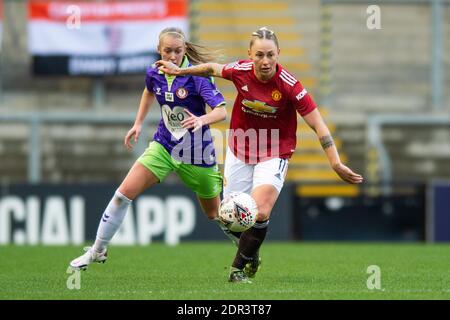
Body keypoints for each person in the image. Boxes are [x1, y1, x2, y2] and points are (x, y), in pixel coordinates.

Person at [157, 27, 364, 283]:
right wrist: (180, 71)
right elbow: (212, 68)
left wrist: (335, 161)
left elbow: (318, 124)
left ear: (278, 53)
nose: (265, 61)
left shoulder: (290, 85)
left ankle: (237, 269)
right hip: (240, 148)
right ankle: (251, 253)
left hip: (274, 151)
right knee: (231, 217)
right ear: (250, 55)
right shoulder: (241, 71)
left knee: (259, 212)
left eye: (270, 55)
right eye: (259, 55)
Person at [69, 27, 228, 270]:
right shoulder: (154, 71)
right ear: (159, 50)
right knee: (123, 195)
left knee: (215, 214)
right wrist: (138, 123)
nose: (173, 56)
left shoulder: (197, 77)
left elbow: (221, 110)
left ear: (185, 50)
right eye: (168, 51)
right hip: (164, 146)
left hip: (196, 152)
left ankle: (248, 251)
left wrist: (200, 120)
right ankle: (97, 250)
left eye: (177, 51)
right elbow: (148, 92)